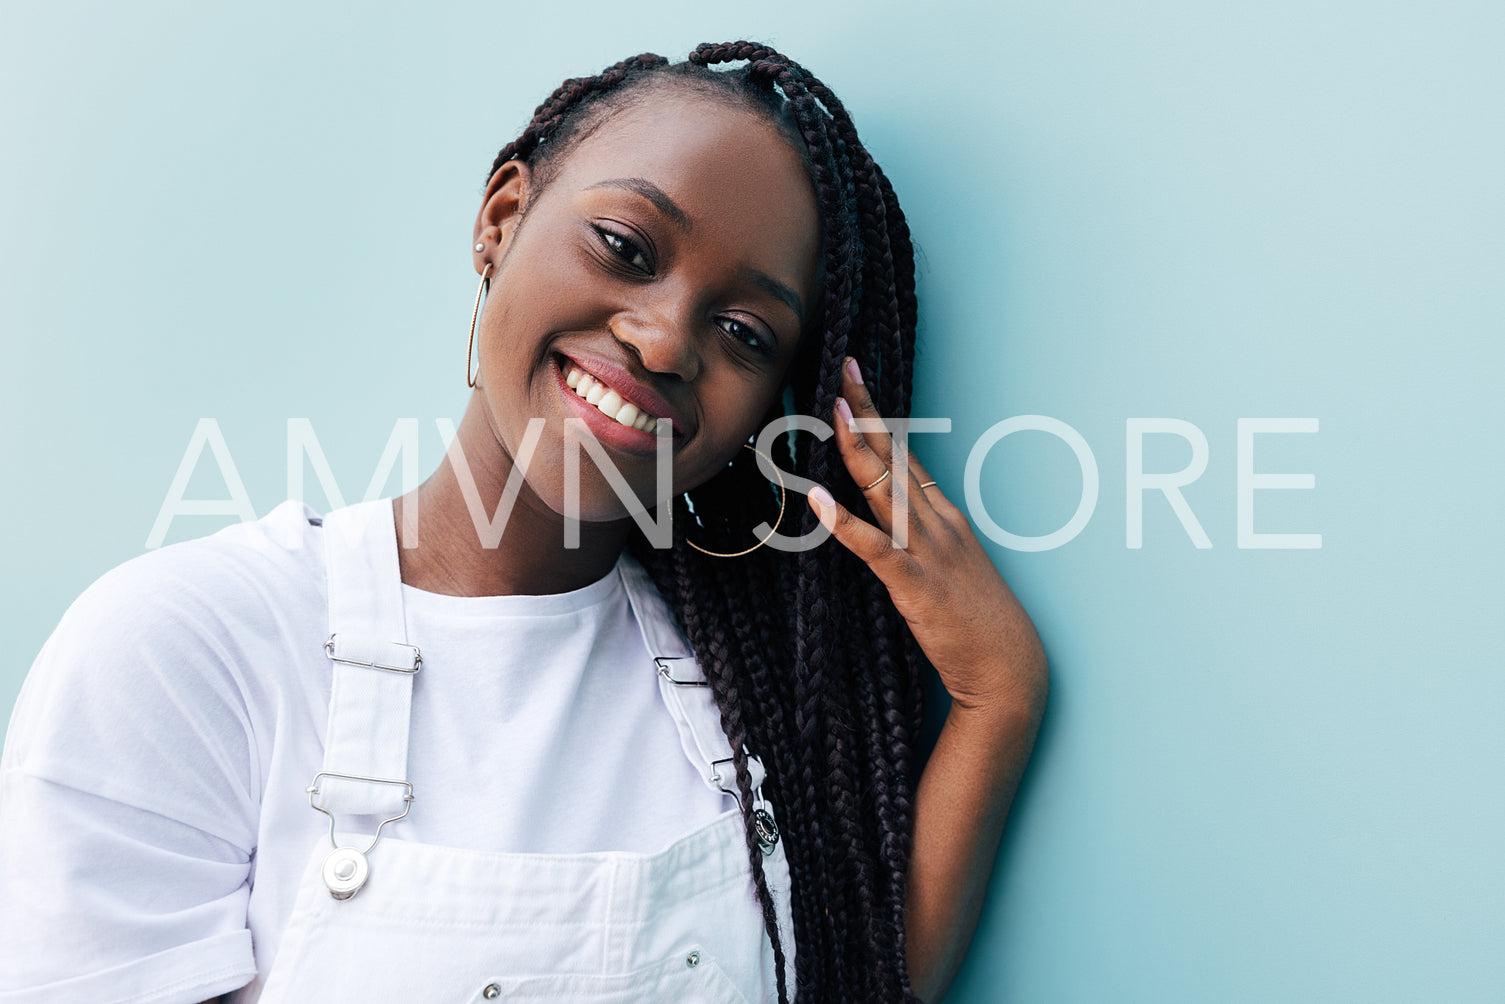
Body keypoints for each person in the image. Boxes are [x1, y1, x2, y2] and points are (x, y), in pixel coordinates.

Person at [0, 40, 1047, 1004]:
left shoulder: (748, 688)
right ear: (499, 219)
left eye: (741, 329)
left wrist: (996, 694)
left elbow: (857, 968)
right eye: (625, 245)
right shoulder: (188, 644)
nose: (660, 338)